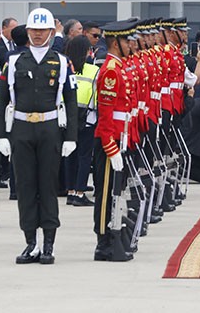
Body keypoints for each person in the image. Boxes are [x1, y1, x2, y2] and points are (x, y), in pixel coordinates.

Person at [0, 8, 79, 265]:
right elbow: (1, 101)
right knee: (25, 186)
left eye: (43, 30)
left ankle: (49, 243)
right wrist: (1, 135)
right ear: (27, 32)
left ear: (51, 33)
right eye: (34, 30)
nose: (38, 34)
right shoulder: (14, 61)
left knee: (48, 186)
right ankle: (30, 242)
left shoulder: (62, 62)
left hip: (50, 129)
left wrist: (71, 137)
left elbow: (72, 103)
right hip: (21, 129)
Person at [91, 20, 137, 262]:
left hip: (121, 135)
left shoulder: (118, 67)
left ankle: (113, 235)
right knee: (105, 193)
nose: (131, 44)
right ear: (116, 43)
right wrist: (111, 146)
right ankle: (103, 241)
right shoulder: (110, 70)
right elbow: (105, 114)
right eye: (127, 41)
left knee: (115, 191)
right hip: (111, 139)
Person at [64, 35, 98, 207]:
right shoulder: (93, 70)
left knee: (70, 156)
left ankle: (70, 191)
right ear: (86, 52)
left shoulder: (65, 68)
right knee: (84, 156)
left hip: (67, 117)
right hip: (87, 118)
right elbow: (97, 96)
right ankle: (80, 192)